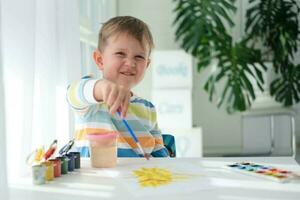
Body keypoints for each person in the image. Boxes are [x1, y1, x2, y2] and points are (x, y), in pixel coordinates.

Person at [67, 16, 169, 157]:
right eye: (120, 54)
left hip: (137, 177)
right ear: (100, 60)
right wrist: (101, 88)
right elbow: (72, 94)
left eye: (139, 57)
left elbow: (160, 154)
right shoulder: (92, 101)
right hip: (97, 179)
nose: (130, 63)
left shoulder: (148, 108)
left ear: (147, 65)